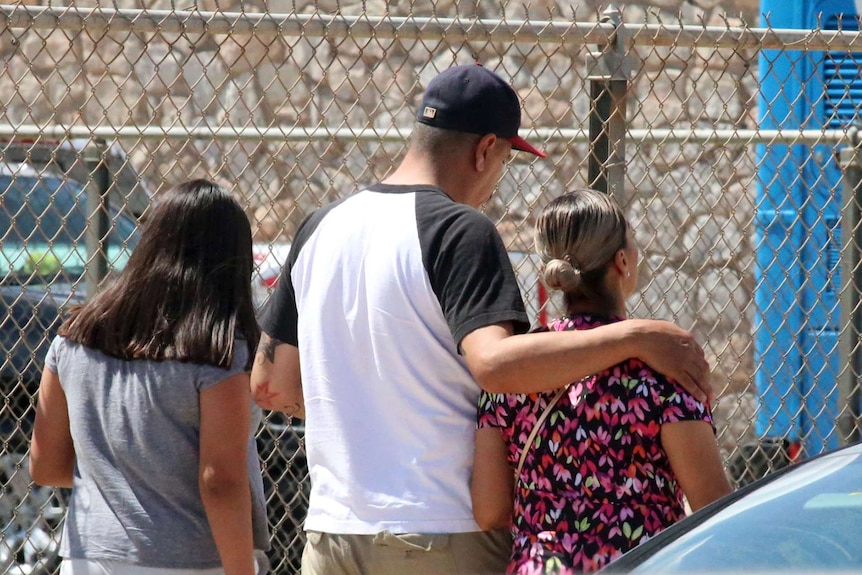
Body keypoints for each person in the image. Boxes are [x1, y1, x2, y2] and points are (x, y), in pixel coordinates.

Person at [251, 63, 713, 575]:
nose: (496, 182)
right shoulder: (459, 229)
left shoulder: (320, 226)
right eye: (506, 160)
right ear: (484, 149)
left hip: (333, 531)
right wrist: (636, 334)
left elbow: (271, 385)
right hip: (437, 532)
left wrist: (368, 409)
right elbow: (496, 365)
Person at [471, 189, 733, 574]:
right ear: (623, 262)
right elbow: (712, 505)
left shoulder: (513, 370)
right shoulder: (664, 368)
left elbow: (489, 510)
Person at [29, 179, 270, 575]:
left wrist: (123, 483)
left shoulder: (75, 339)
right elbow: (220, 480)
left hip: (88, 556)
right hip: (190, 560)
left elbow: (46, 465)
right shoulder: (218, 351)